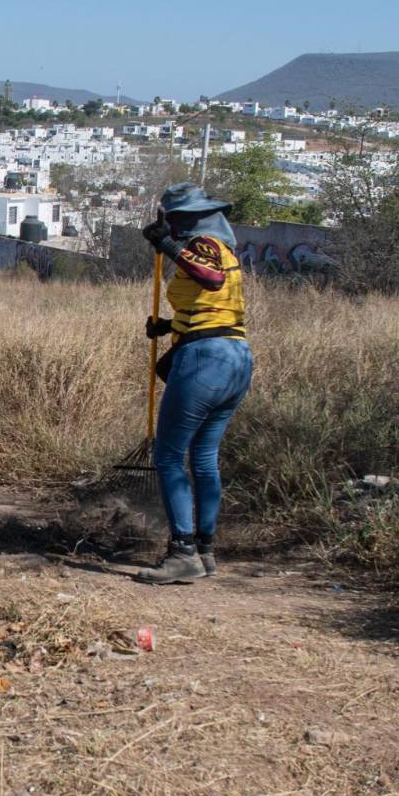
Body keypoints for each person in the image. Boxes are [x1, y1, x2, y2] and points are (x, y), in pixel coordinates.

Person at [136, 184, 253, 584]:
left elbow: (210, 280)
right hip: (234, 357)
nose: (173, 222)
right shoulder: (223, 248)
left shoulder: (205, 246)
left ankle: (182, 551)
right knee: (203, 458)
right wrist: (169, 325)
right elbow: (214, 307)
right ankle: (205, 550)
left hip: (205, 361)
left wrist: (166, 243)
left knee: (169, 457)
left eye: (176, 216)